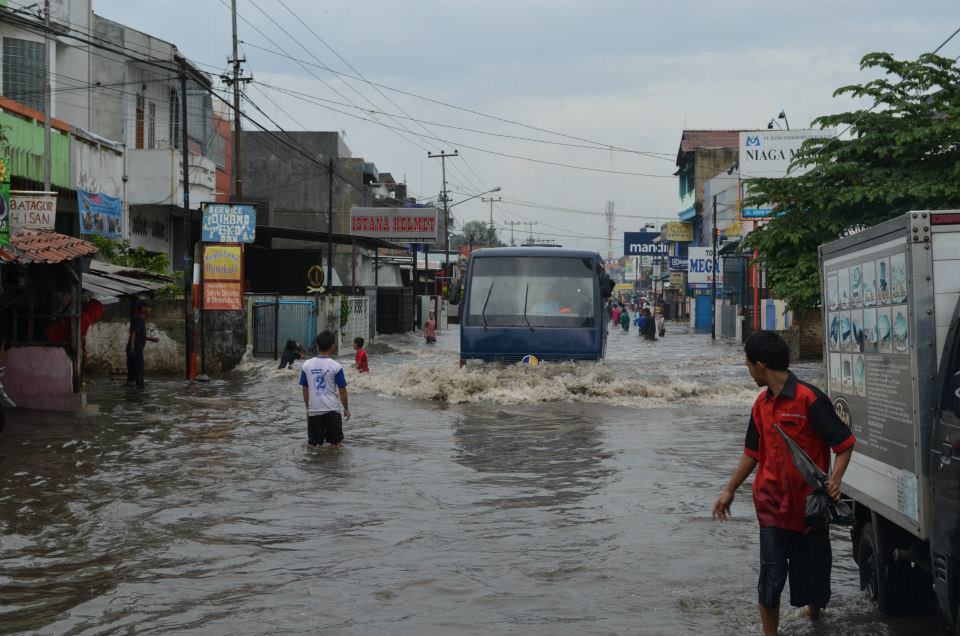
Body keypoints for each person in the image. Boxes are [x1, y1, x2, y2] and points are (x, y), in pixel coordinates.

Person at [712, 331, 855, 636]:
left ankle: (815, 615)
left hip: (809, 511)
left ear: (761, 365)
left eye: (748, 364)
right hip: (771, 508)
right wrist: (729, 490)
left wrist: (835, 479)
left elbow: (843, 443)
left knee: (814, 582)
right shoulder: (760, 405)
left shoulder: (810, 399)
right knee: (771, 579)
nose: (748, 370)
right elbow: (752, 453)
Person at [299, 331, 351, 448]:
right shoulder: (336, 366)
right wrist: (346, 409)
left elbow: (305, 389)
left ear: (318, 345)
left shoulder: (306, 365)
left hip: (314, 410)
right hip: (332, 410)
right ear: (333, 346)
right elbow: (342, 390)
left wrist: (308, 407)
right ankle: (332, 466)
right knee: (336, 445)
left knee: (312, 445)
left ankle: (313, 465)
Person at [126, 301, 159, 387]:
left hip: (135, 348)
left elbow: (139, 335)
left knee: (132, 371)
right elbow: (133, 333)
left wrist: (152, 339)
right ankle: (139, 391)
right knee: (138, 370)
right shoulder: (139, 319)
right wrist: (132, 348)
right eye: (148, 308)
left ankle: (132, 391)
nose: (150, 310)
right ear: (143, 309)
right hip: (136, 349)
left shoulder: (140, 319)